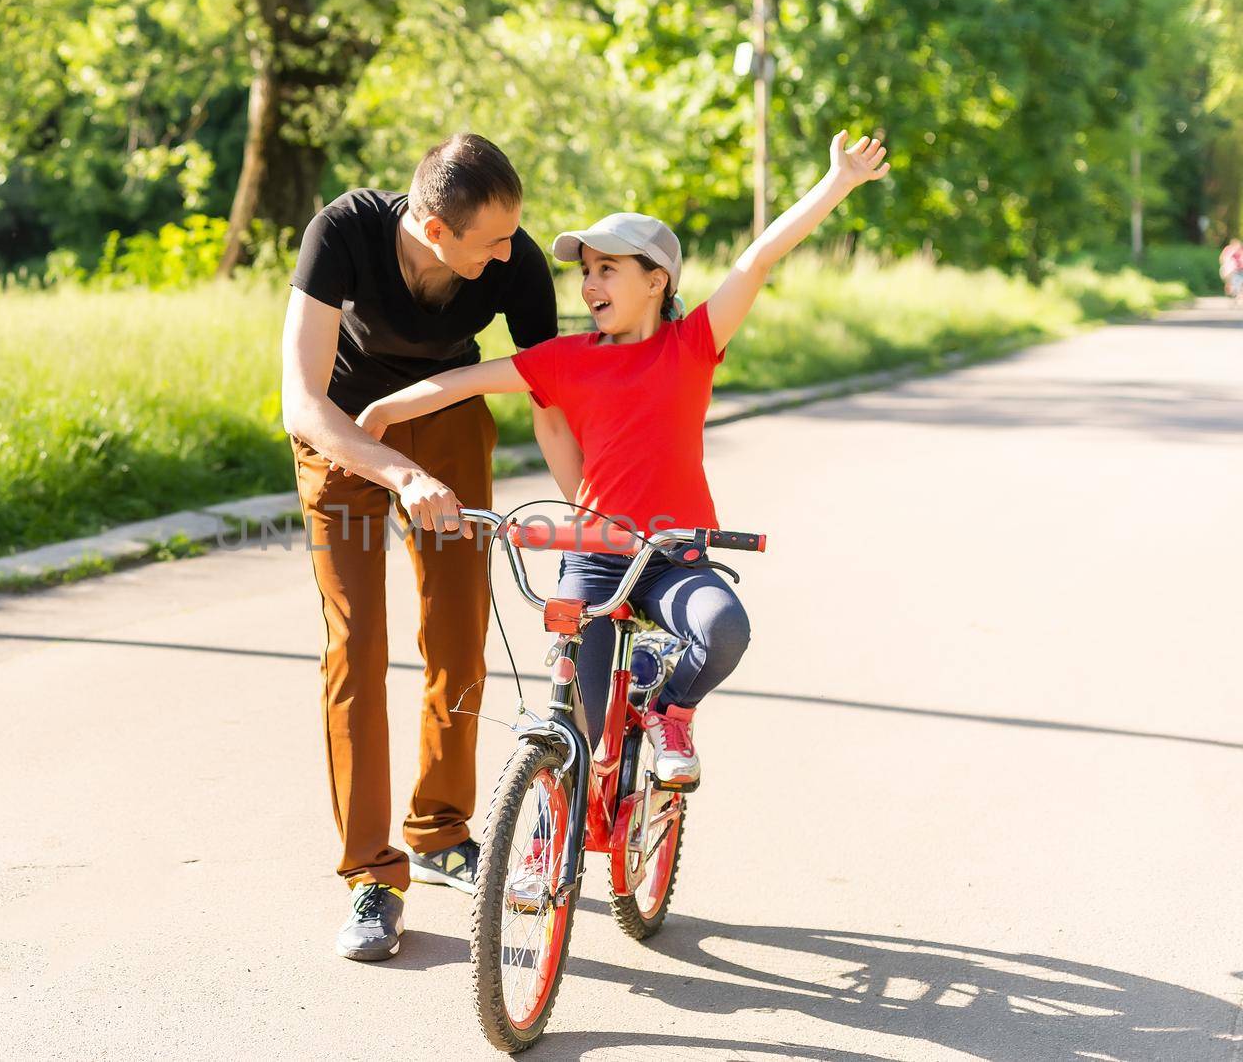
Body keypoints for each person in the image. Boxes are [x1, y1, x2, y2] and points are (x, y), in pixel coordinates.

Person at [357, 130, 891, 786]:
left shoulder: (690, 345)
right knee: (574, 729)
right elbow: (463, 380)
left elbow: (757, 259)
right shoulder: (566, 360)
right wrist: (382, 413)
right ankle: (543, 847)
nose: (588, 284)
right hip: (594, 555)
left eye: (607, 268)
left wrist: (836, 182)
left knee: (724, 628)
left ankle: (669, 709)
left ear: (655, 280)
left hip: (673, 552)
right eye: (584, 270)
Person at [280, 134, 568, 961]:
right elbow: (301, 400)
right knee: (356, 644)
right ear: (436, 230)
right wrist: (397, 473)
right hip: (343, 436)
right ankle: (374, 875)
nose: (512, 252)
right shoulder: (342, 233)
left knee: (457, 632)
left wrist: (593, 501)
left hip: (444, 423)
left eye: (513, 234)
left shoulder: (512, 263)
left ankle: (442, 830)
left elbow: (549, 392)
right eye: (493, 239)